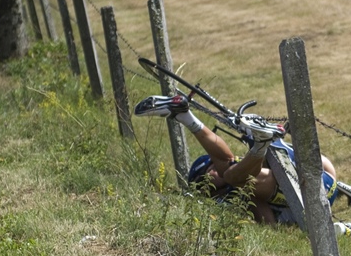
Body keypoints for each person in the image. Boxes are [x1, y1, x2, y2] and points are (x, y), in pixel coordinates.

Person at [134, 94, 339, 225]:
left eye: (211, 167)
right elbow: (267, 219)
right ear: (206, 189)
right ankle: (185, 116)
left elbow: (266, 218)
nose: (214, 172)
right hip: (317, 192)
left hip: (315, 185)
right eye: (208, 174)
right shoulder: (233, 193)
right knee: (234, 174)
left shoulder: (238, 180)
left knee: (233, 173)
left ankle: (186, 116)